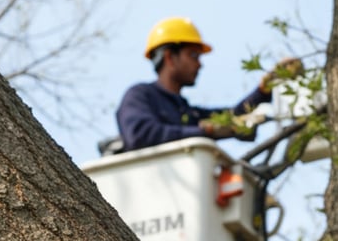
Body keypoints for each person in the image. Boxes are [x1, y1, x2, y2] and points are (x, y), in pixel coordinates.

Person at [115, 17, 299, 152]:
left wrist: (263, 90)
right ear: (170, 57)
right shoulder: (140, 96)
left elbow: (229, 117)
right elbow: (141, 136)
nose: (200, 64)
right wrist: (207, 130)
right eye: (193, 55)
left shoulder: (185, 110)